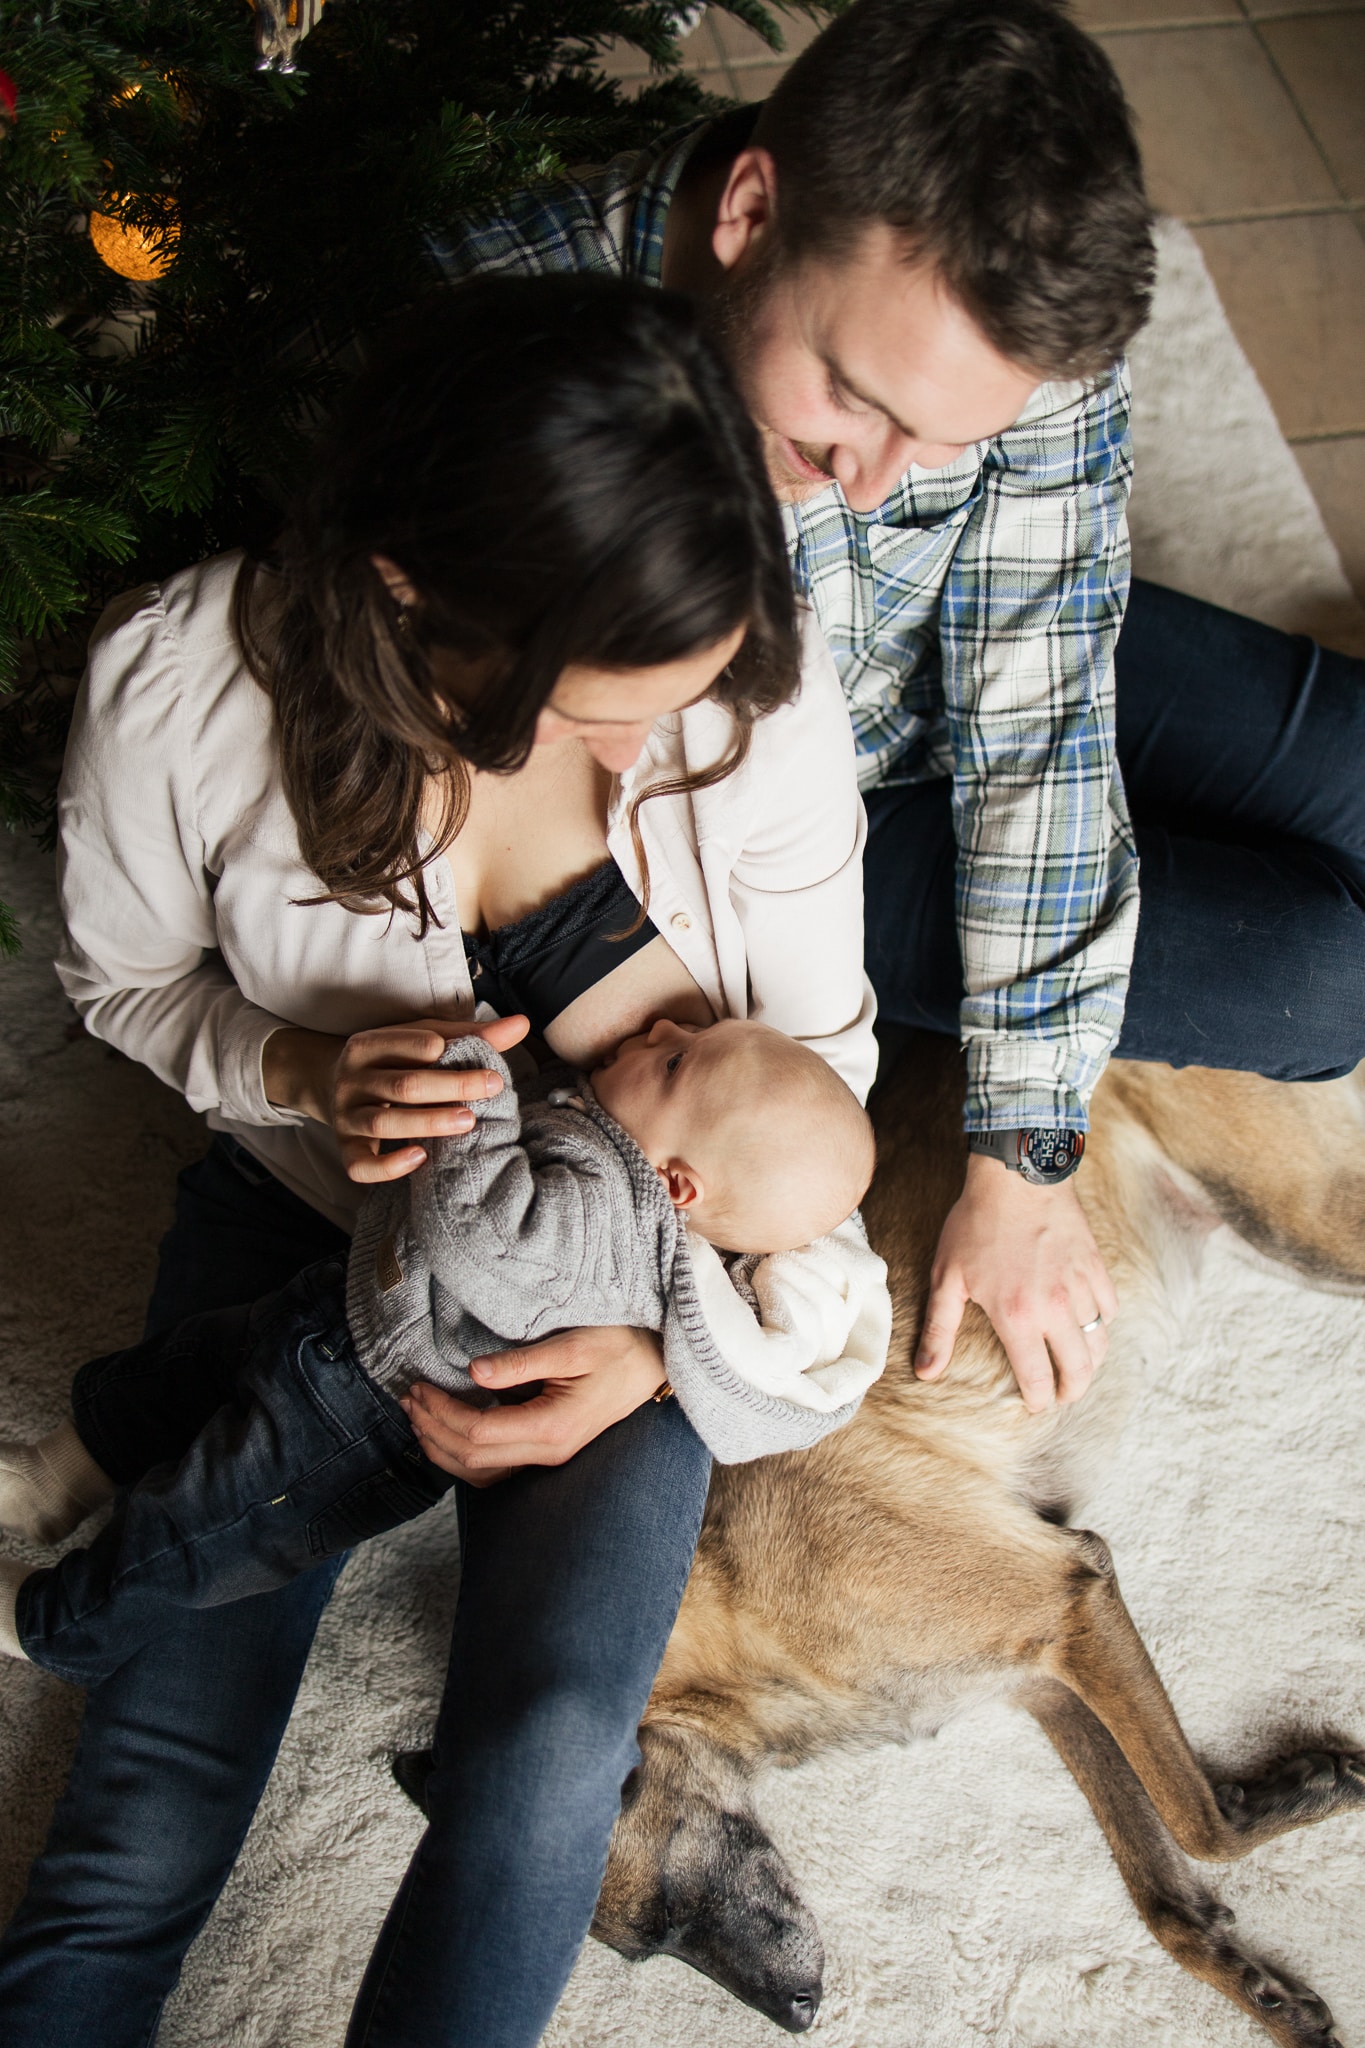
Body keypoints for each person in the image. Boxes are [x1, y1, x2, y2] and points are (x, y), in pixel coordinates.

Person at [0, 274, 882, 2048]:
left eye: (672, 702)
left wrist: (662, 1357)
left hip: (625, 1296)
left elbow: (816, 1092)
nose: (642, 752)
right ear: (414, 601)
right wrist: (300, 1066)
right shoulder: (186, 686)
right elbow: (124, 984)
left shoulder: (734, 681)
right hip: (307, 1223)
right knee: (155, 1788)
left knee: (547, 1754)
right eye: (594, 714)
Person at [428, 0, 1365, 1419]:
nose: (872, 484)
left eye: (946, 441)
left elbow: (1038, 711)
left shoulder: (1014, 318)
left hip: (964, 641)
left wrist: (1019, 1155)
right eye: (852, 403)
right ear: (750, 212)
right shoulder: (491, 343)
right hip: (775, 843)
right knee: (1322, 976)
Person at [0, 1015, 885, 1675]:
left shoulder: (606, 1226)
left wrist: (477, 1088)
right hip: (344, 1316)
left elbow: (482, 1234)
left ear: (675, 1182)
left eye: (676, 1059)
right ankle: (54, 1481)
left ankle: (53, 1624)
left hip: (358, 1423)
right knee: (175, 1373)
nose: (662, 1028)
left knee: (200, 1522)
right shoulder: (621, 1144)